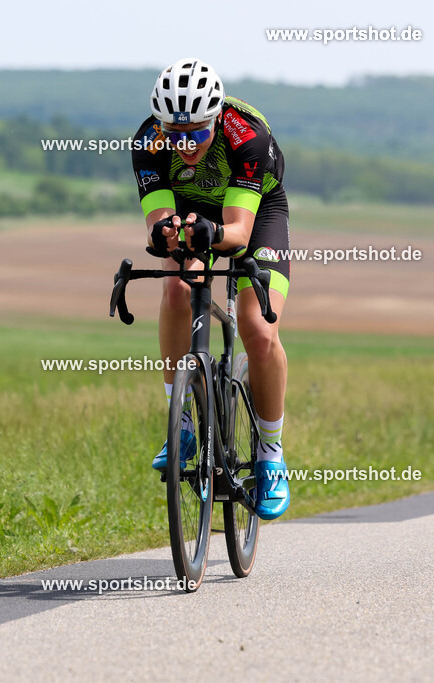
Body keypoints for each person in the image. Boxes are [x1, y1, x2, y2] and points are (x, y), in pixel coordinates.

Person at [131, 58, 292, 520]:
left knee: (259, 330)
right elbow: (159, 223)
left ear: (217, 118)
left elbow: (238, 234)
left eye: (196, 133)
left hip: (255, 214)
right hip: (191, 205)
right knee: (178, 289)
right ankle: (180, 420)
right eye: (173, 134)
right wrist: (166, 234)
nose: (183, 145)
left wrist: (206, 230)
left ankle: (271, 454)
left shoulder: (246, 136)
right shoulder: (149, 141)